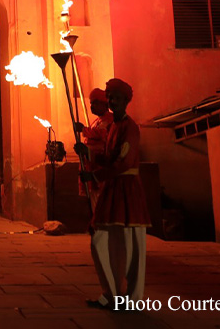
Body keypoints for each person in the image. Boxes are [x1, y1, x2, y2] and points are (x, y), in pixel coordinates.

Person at [84, 78, 150, 310]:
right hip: (112, 189)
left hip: (127, 189)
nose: (112, 101)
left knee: (131, 247)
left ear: (126, 101)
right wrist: (87, 155)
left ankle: (132, 299)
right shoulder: (112, 127)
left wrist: (96, 176)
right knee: (100, 241)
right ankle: (111, 294)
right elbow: (109, 157)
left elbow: (124, 162)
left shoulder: (130, 127)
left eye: (116, 98)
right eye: (110, 97)